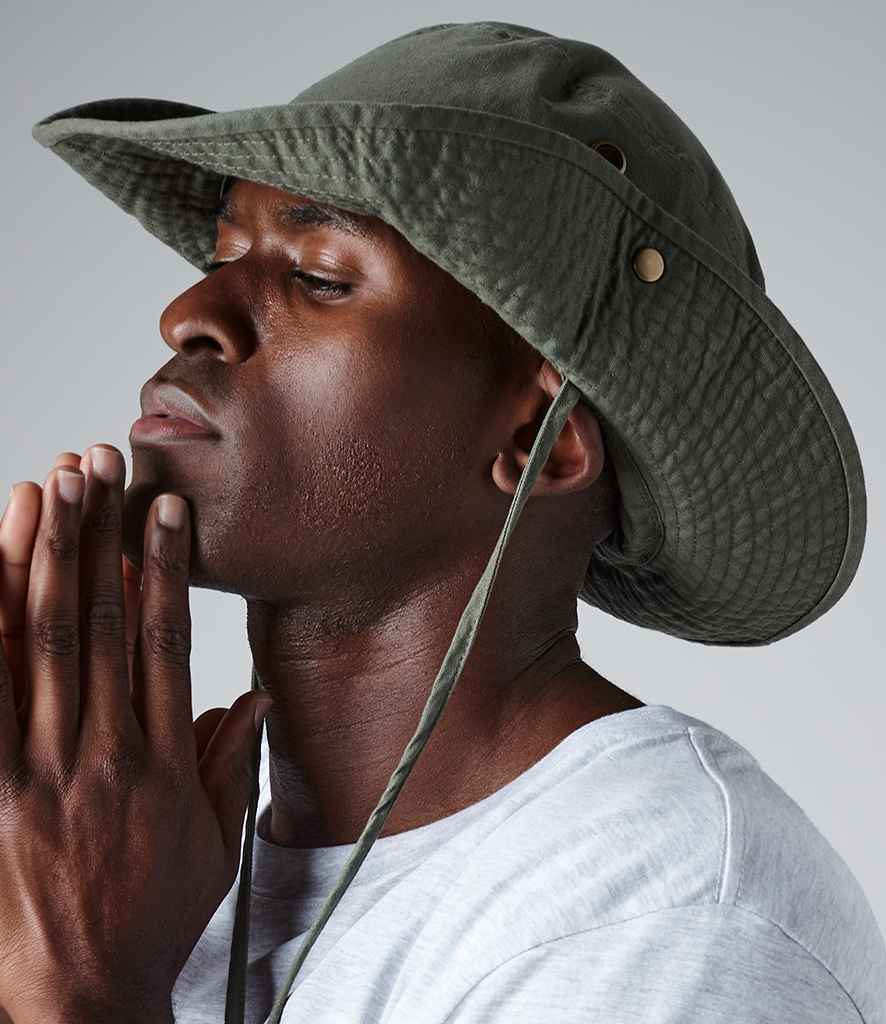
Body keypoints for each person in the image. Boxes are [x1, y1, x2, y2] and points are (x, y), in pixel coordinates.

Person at [23, 19, 885, 1024]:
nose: (189, 313)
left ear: (538, 443)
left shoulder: (669, 914)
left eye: (319, 276)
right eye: (223, 254)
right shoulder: (116, 874)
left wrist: (84, 996)